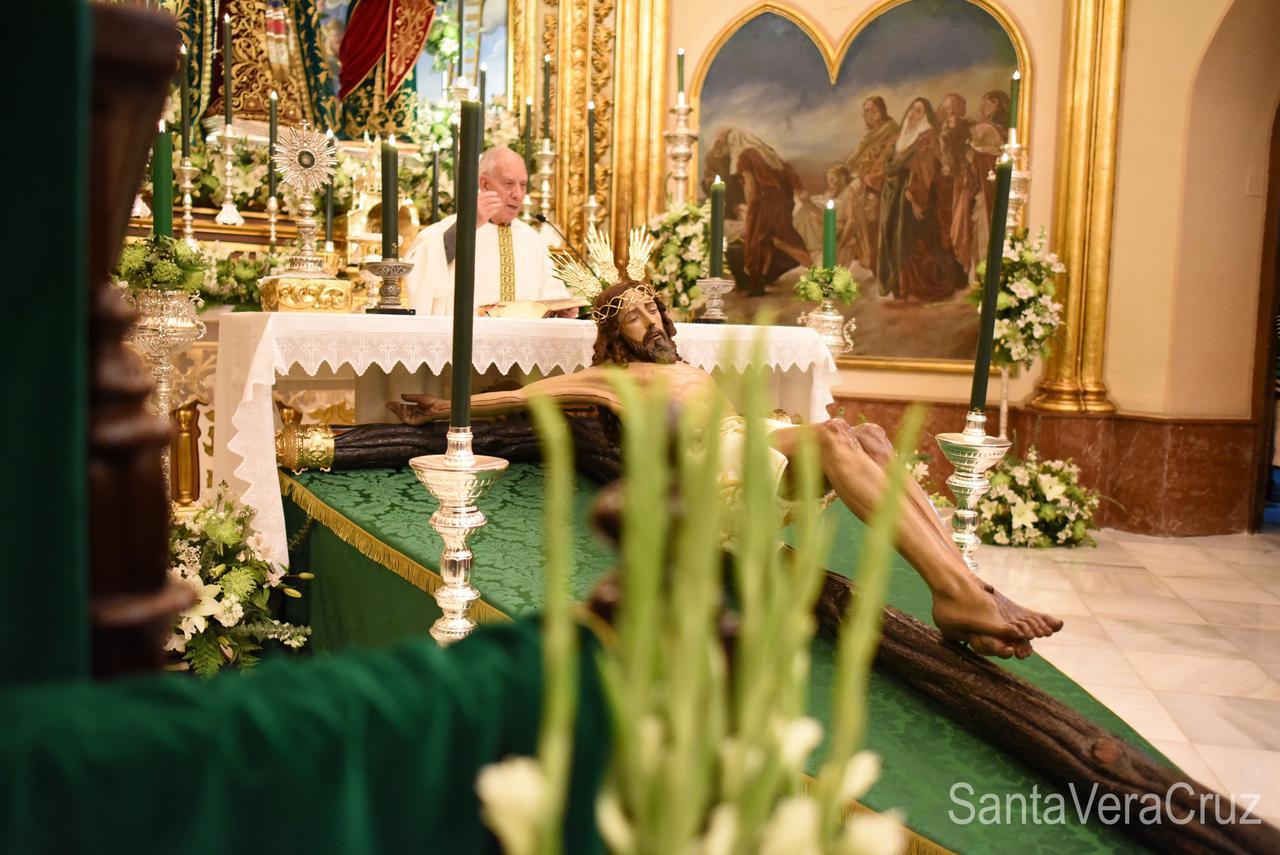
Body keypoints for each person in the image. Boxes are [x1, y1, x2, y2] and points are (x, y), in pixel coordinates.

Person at [389, 272, 1064, 660]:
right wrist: (448, 407)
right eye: (633, 317)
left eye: (654, 308)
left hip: (750, 442)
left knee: (868, 437)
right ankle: (960, 593)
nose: (650, 320)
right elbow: (524, 396)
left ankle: (967, 587)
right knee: (834, 435)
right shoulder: (611, 379)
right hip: (716, 475)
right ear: (614, 335)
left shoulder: (685, 364)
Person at [403, 146, 573, 315]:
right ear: (484, 183)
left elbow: (551, 293)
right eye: (509, 183)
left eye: (523, 185)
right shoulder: (448, 230)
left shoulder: (532, 240)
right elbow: (419, 275)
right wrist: (469, 225)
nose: (518, 194)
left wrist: (562, 309)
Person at [878, 97, 968, 303]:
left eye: (918, 111)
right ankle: (903, 286)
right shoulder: (902, 137)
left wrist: (916, 198)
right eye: (911, 109)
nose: (912, 114)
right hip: (897, 200)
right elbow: (890, 167)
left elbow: (927, 172)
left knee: (916, 244)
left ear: (926, 117)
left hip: (917, 200)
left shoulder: (927, 138)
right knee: (899, 240)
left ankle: (923, 287)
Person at [713, 128, 811, 294]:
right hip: (781, 202)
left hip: (764, 204)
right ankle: (759, 283)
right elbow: (787, 173)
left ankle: (818, 274)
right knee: (774, 240)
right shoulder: (766, 153)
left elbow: (750, 187)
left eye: (730, 143)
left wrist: (751, 210)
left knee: (764, 241)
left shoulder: (745, 156)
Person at [841, 96, 899, 276]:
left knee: (870, 226)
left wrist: (867, 178)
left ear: (880, 111)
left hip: (879, 185)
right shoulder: (871, 135)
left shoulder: (892, 131)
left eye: (871, 110)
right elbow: (854, 160)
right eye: (865, 111)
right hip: (864, 183)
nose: (867, 115)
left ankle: (878, 267)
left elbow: (886, 160)